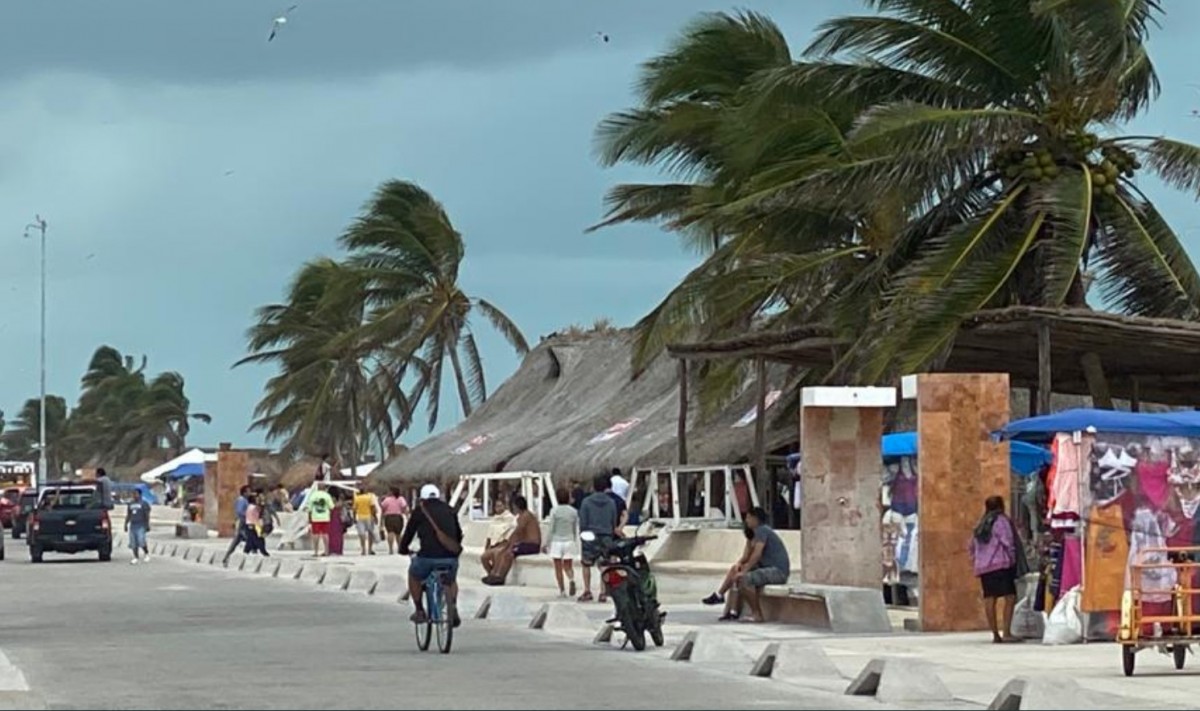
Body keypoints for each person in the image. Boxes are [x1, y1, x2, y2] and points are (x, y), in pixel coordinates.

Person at [400, 484, 464, 627]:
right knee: (451, 579)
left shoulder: (420, 511)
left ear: (422, 498)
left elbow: (409, 533)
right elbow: (458, 535)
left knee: (414, 575)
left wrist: (403, 549)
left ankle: (419, 610)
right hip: (450, 558)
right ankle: (452, 604)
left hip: (427, 557)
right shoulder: (450, 510)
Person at [969, 495, 1022, 644]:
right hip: (1001, 565)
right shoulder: (1001, 521)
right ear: (1001, 506)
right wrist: (1012, 559)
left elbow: (971, 547)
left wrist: (978, 561)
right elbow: (1008, 541)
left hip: (984, 568)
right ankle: (1006, 631)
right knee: (1010, 597)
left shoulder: (981, 523)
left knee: (989, 598)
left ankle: (995, 634)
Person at [728, 506, 791, 623]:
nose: (746, 520)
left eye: (748, 517)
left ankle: (757, 614)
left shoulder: (762, 530)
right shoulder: (755, 533)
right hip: (768, 569)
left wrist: (745, 571)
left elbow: (756, 555)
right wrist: (740, 566)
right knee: (736, 572)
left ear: (755, 519)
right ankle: (730, 608)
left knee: (743, 579)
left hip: (777, 572)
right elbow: (747, 556)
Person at [578, 474, 618, 603]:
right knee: (605, 565)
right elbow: (614, 520)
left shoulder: (586, 502)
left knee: (586, 563)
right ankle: (603, 592)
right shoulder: (611, 502)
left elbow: (583, 521)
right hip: (606, 535)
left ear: (594, 487)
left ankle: (587, 590)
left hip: (589, 535)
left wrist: (583, 533)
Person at [484, 494, 542, 586]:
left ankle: (501, 577)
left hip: (532, 545)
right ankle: (495, 574)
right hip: (525, 543)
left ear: (516, 506)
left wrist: (509, 545)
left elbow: (517, 532)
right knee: (502, 552)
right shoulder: (522, 516)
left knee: (508, 554)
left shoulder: (525, 516)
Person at [701, 524, 755, 616]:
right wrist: (739, 563)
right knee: (735, 571)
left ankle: (720, 595)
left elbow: (756, 558)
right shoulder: (750, 539)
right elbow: (745, 556)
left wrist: (745, 569)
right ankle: (732, 610)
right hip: (750, 565)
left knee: (737, 574)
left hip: (759, 566)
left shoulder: (760, 538)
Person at [545, 488, 579, 597]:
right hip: (569, 540)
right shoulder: (573, 511)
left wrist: (547, 543)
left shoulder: (554, 511)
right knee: (568, 566)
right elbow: (575, 528)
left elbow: (551, 528)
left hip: (557, 541)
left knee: (558, 567)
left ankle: (562, 591)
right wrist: (574, 540)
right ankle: (571, 579)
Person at [480, 499, 516, 579]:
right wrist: (487, 547)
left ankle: (497, 575)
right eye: (497, 506)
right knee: (483, 557)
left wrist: (504, 545)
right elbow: (489, 535)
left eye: (500, 506)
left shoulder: (510, 518)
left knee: (497, 554)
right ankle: (491, 574)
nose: (498, 508)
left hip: (503, 544)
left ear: (504, 506)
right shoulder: (494, 519)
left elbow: (510, 534)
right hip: (493, 545)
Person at [222, 485, 252, 566]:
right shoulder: (242, 500)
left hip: (243, 523)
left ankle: (226, 557)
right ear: (244, 492)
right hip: (241, 522)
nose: (250, 493)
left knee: (237, 541)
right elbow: (239, 511)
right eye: (248, 491)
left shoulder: (244, 500)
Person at [303, 483, 335, 556]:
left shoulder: (313, 495)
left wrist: (309, 519)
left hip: (315, 518)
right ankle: (326, 551)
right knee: (325, 534)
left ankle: (316, 551)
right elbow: (332, 507)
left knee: (315, 534)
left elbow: (309, 509)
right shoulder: (327, 495)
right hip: (325, 518)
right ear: (324, 488)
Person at [124, 488, 151, 565]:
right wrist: (125, 524)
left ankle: (146, 553)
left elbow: (147, 515)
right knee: (133, 543)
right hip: (133, 525)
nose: (135, 495)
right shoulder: (130, 504)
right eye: (134, 494)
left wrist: (147, 524)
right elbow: (128, 514)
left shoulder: (144, 503)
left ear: (140, 495)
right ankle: (135, 557)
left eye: (136, 494)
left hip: (141, 525)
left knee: (141, 541)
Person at [380, 487, 409, 555]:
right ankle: (399, 548)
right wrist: (407, 517)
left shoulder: (387, 500)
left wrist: (382, 519)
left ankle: (391, 549)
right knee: (398, 534)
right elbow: (404, 508)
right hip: (398, 517)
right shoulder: (401, 499)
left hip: (389, 517)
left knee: (390, 532)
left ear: (392, 492)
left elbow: (383, 509)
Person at [353, 487, 380, 556]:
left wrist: (354, 518)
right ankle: (370, 549)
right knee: (370, 533)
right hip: (369, 517)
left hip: (360, 517)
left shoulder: (357, 498)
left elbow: (354, 509)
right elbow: (372, 508)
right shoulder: (369, 497)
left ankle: (363, 550)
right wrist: (375, 517)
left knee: (362, 534)